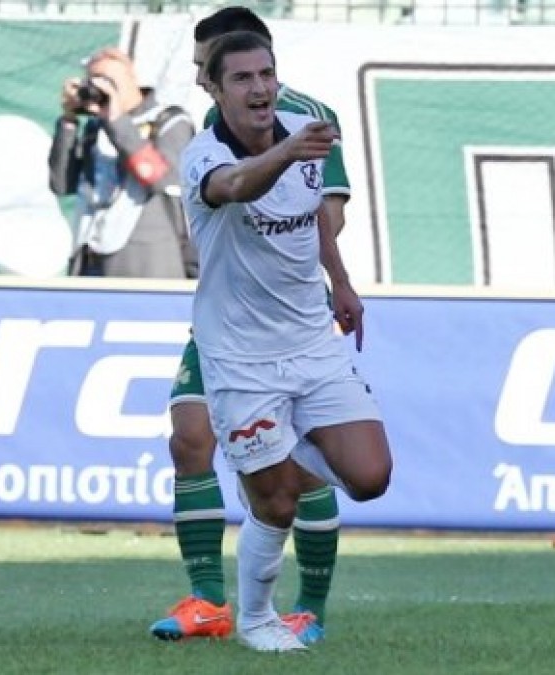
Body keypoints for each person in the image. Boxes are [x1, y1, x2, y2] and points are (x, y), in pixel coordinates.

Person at [177, 30, 392, 652]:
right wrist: (289, 150)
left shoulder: (304, 131)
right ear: (215, 90)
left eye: (266, 74)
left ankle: (268, 454)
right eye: (242, 78)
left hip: (311, 342)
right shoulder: (202, 155)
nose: (260, 87)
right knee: (275, 506)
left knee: (371, 476)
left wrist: (341, 281)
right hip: (239, 357)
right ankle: (255, 620)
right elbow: (237, 187)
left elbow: (317, 212)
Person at [150, 7, 353, 645]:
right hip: (222, 321)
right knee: (189, 439)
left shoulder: (308, 117)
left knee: (302, 465)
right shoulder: (214, 130)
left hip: (288, 322)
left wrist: (337, 282)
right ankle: (209, 601)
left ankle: (309, 607)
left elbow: (328, 216)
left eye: (203, 63)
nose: (197, 75)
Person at [48, 47, 197, 279]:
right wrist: (69, 120)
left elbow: (162, 179)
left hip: (146, 262)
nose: (101, 87)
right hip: (90, 254)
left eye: (108, 80)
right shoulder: (96, 127)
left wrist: (117, 121)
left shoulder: (169, 120)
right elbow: (61, 184)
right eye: (93, 81)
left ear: (132, 78)